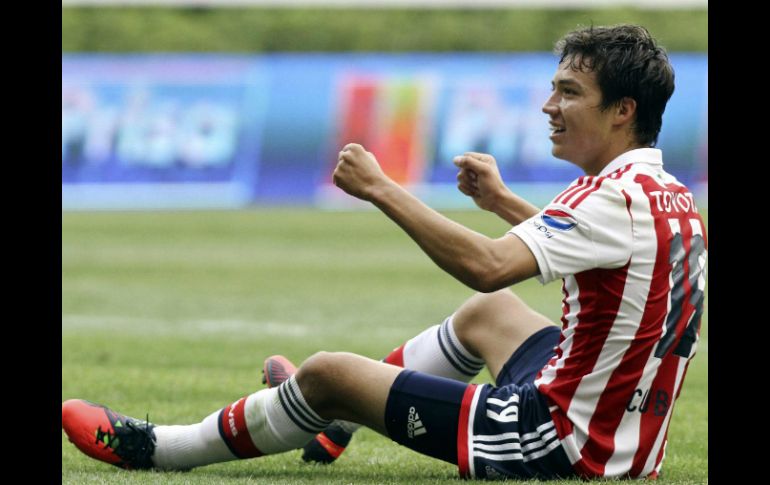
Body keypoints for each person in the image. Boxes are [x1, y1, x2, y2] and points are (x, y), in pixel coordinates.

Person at [62, 24, 707, 480]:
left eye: (569, 92)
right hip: (624, 443)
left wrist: (380, 188)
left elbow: (486, 266)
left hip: (555, 445)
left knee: (328, 372)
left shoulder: (607, 198)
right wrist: (503, 203)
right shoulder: (665, 195)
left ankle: (160, 448)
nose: (549, 105)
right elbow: (600, 257)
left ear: (622, 110)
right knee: (489, 315)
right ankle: (335, 426)